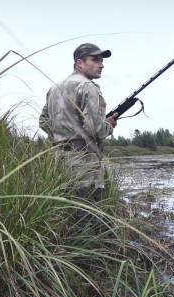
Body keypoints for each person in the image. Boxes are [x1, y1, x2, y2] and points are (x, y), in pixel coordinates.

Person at [39, 43, 119, 201]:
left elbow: (43, 122)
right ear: (79, 63)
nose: (101, 65)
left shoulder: (54, 88)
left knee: (68, 213)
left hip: (59, 163)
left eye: (102, 61)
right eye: (95, 60)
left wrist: (62, 137)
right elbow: (94, 129)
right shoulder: (88, 87)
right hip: (85, 165)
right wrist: (109, 125)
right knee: (88, 216)